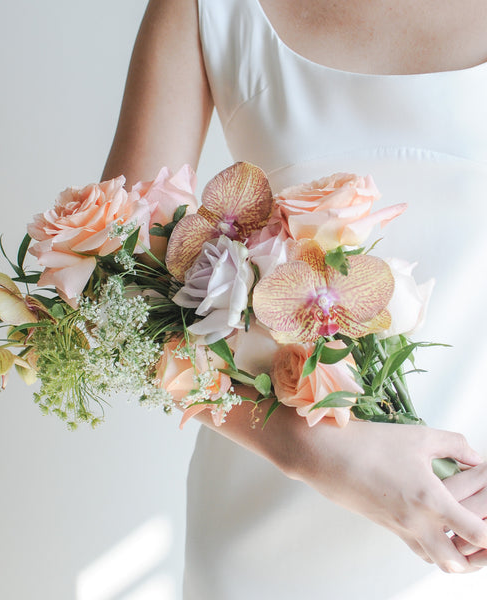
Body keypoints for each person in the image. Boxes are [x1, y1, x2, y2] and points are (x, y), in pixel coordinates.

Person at [102, 0, 487, 597]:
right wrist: (319, 453)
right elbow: (116, 288)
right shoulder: (206, 9)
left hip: (471, 535)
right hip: (267, 539)